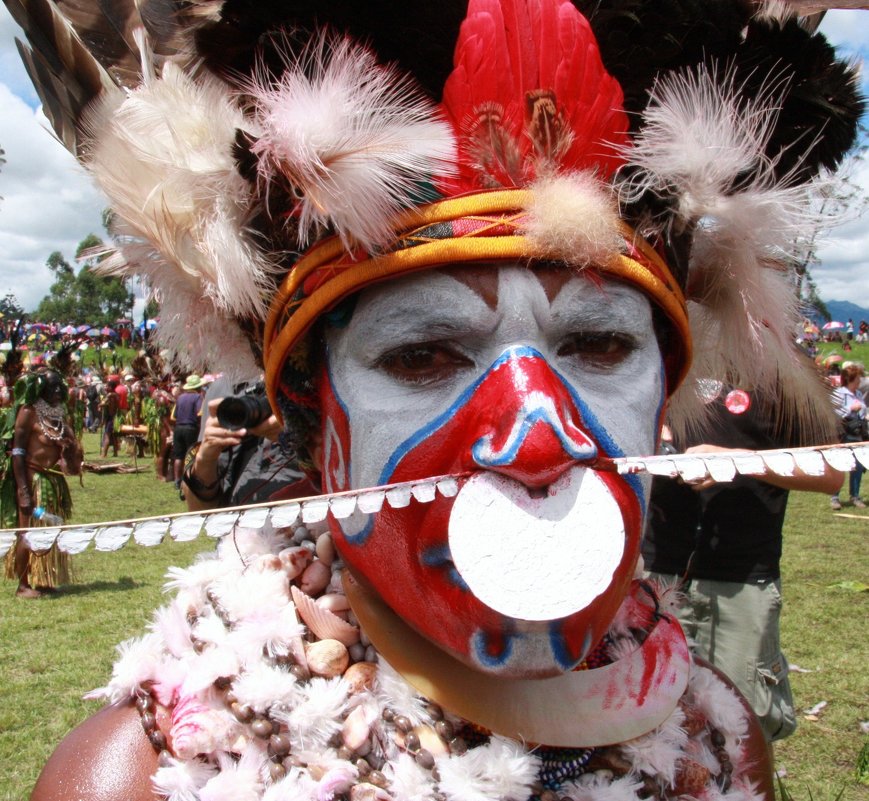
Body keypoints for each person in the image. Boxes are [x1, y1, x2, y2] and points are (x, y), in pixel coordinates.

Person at [14, 1, 862, 799]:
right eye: (422, 354)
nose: (538, 441)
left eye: (599, 345)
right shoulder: (147, 776)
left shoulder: (713, 743)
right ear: (316, 423)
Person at [642, 384, 843, 743]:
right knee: (647, 723)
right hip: (656, 575)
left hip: (741, 580)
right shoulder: (663, 356)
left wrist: (739, 460)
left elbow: (831, 472)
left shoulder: (780, 372)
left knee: (740, 727)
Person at [1, 370, 83, 598]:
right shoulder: (28, 412)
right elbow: (17, 452)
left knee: (50, 530)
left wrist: (69, 449)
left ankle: (44, 578)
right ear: (40, 389)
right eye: (51, 387)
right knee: (26, 532)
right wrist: (23, 490)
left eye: (60, 387)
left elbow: (70, 462)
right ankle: (23, 585)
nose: (57, 391)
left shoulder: (58, 415)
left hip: (53, 482)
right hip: (32, 480)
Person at [182, 376, 308, 510]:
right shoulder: (221, 388)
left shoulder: (315, 374)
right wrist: (205, 459)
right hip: (237, 525)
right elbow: (199, 509)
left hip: (311, 523)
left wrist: (303, 434)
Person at [830, 362, 867, 509]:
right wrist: (850, 409)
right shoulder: (839, 394)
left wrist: (864, 412)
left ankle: (855, 496)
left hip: (857, 434)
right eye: (857, 378)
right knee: (840, 466)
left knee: (858, 467)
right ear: (850, 379)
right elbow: (834, 413)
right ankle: (834, 498)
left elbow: (862, 410)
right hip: (843, 435)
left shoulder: (858, 394)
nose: (859, 381)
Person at [171, 374, 205, 492]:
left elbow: (173, 416)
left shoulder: (180, 398)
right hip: (191, 428)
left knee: (178, 456)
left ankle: (177, 480)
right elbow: (200, 413)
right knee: (192, 454)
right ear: (197, 387)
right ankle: (189, 479)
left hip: (178, 428)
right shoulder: (198, 397)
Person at [99, 375, 120, 457]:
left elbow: (103, 403)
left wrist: (100, 404)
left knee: (107, 435)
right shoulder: (115, 394)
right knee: (114, 436)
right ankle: (115, 453)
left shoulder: (110, 394)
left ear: (111, 387)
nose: (105, 387)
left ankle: (104, 454)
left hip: (111, 418)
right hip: (114, 417)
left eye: (107, 386)